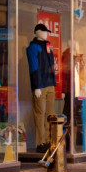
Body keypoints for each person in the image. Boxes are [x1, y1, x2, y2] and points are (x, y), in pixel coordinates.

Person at [27, 24, 57, 153]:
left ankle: (49, 140)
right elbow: (34, 67)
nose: (46, 34)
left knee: (50, 115)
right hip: (41, 85)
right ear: (36, 32)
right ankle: (41, 142)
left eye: (46, 32)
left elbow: (51, 64)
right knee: (40, 114)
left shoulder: (48, 46)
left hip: (50, 84)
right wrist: (36, 86)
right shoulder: (33, 47)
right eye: (43, 32)